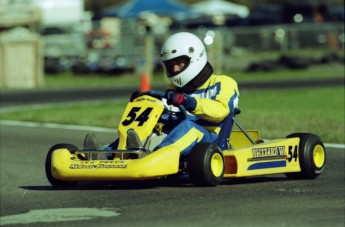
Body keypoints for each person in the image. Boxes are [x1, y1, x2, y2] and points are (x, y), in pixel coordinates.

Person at [86, 32, 239, 158]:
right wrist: (146, 103)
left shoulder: (223, 83)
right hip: (177, 134)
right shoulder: (175, 88)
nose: (175, 68)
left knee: (189, 127)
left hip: (210, 138)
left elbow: (221, 111)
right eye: (171, 65)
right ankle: (108, 153)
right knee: (151, 124)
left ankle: (158, 156)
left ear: (195, 58)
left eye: (179, 63)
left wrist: (190, 102)